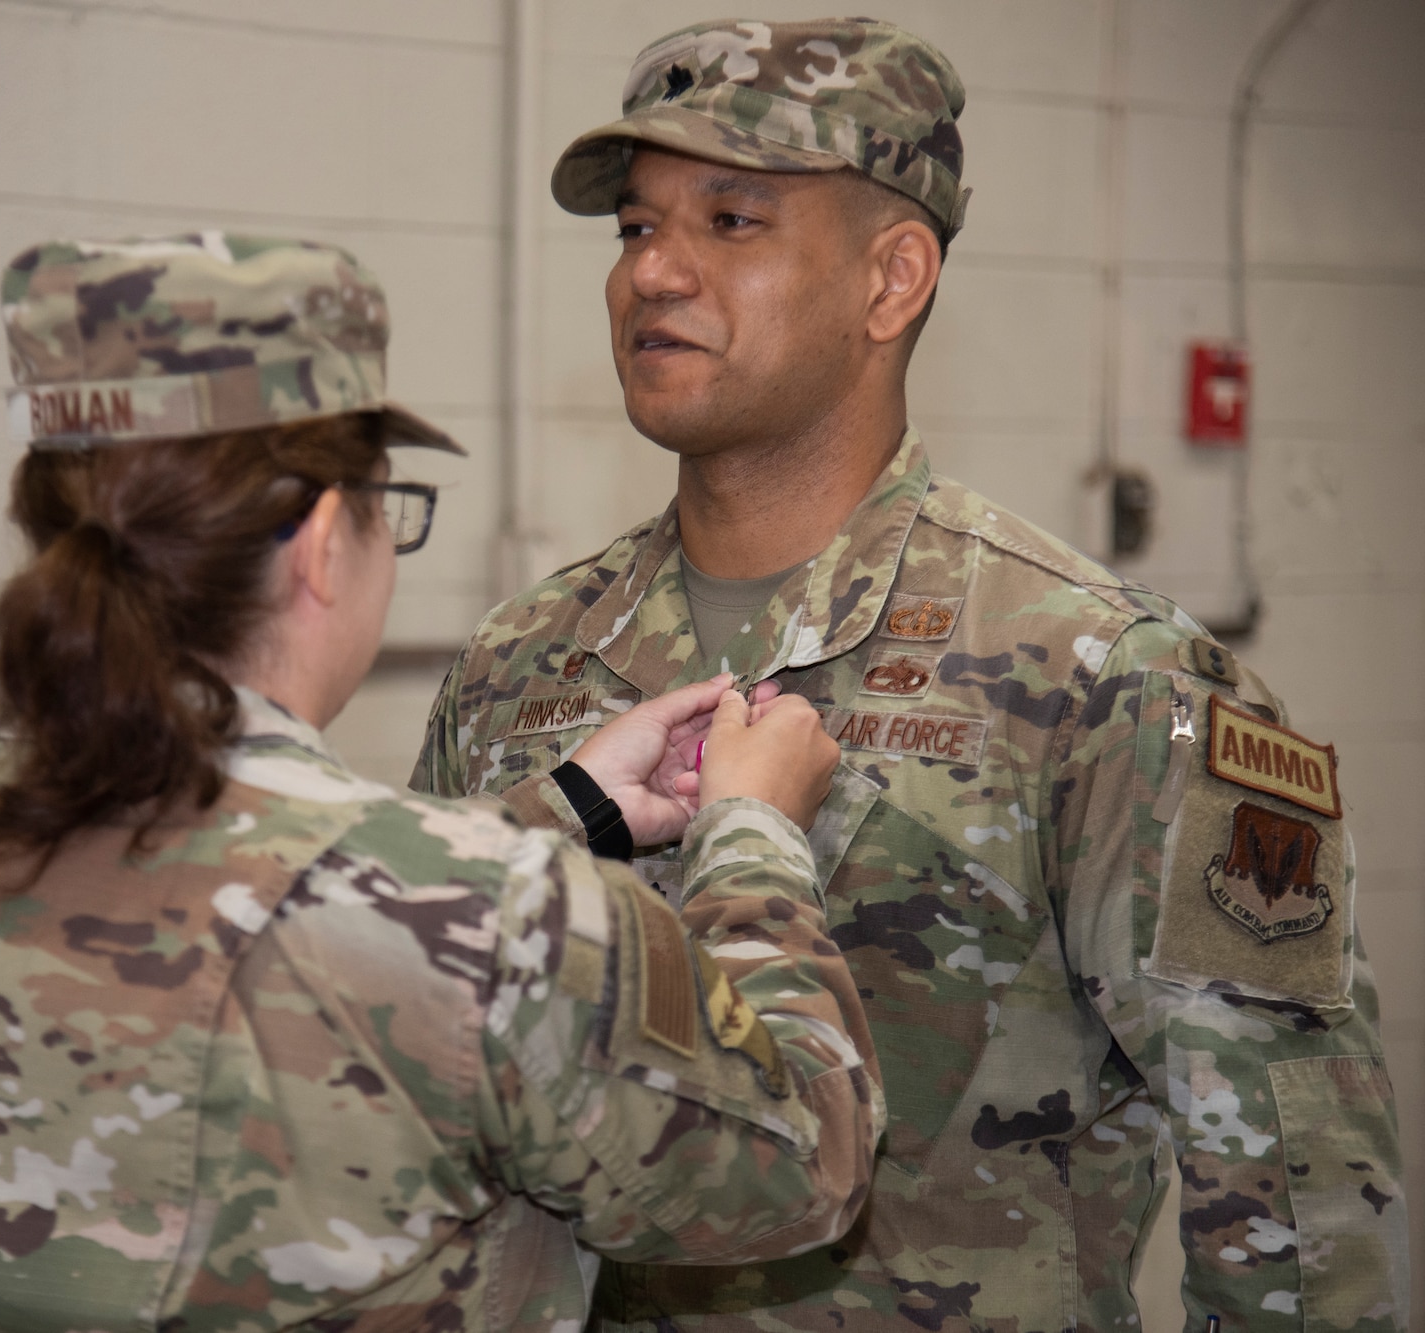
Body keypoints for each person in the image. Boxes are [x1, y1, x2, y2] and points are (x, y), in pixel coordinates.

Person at [412, 19, 1408, 1331]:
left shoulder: (1112, 678)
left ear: (893, 281)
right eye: (636, 229)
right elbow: (405, 1089)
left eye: (731, 221)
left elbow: (1292, 1193)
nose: (656, 271)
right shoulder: (519, 666)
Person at [0, 234, 885, 1333]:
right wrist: (749, 834)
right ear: (325, 541)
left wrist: (562, 813)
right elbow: (797, 1165)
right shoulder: (492, 917)